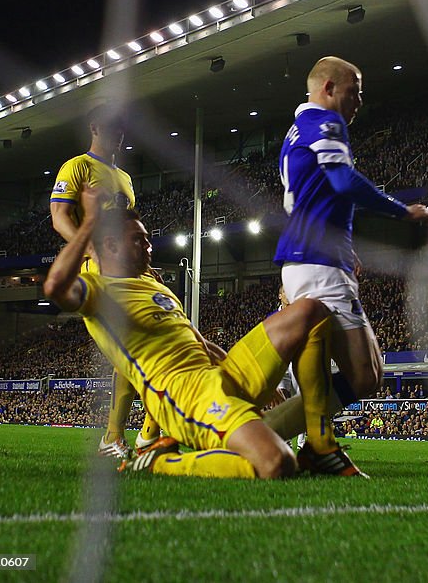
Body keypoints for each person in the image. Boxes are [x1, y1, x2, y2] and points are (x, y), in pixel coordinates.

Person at [43, 186, 336, 479]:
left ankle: (320, 443)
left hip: (221, 374)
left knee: (309, 311)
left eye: (147, 240)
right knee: (278, 463)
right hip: (187, 395)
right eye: (139, 240)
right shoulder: (98, 291)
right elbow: (54, 287)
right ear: (111, 245)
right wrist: (91, 222)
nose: (149, 247)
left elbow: (200, 342)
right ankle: (159, 461)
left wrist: (267, 383)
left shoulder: (156, 286)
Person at [265, 56, 428, 474]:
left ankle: (315, 445)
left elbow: (315, 197)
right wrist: (401, 211)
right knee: (366, 374)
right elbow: (343, 182)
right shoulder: (326, 122)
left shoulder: (296, 130)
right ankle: (263, 435)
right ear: (328, 89)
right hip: (319, 264)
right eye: (354, 91)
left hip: (308, 258)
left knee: (331, 370)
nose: (359, 101)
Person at [49, 104, 161, 459]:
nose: (121, 132)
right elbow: (58, 217)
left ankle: (146, 432)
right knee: (131, 348)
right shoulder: (77, 167)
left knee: (148, 345)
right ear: (95, 126)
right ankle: (123, 435)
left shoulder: (125, 179)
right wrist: (91, 251)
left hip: (129, 271)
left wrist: (143, 263)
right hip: (97, 271)